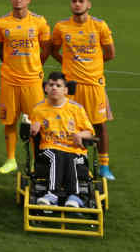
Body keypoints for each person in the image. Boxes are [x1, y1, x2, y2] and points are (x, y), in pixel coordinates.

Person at [51, 0, 116, 180]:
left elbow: (110, 53)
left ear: (89, 4)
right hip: (71, 87)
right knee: (70, 126)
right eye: (74, 1)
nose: (77, 4)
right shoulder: (61, 27)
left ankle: (104, 166)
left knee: (99, 126)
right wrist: (68, 64)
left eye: (81, 1)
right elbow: (54, 50)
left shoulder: (99, 26)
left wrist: (92, 65)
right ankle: (77, 162)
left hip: (94, 85)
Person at [0, 0, 51, 174]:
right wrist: (11, 64)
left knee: (35, 121)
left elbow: (46, 49)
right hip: (9, 79)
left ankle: (36, 161)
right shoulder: (1, 23)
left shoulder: (39, 22)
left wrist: (34, 65)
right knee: (9, 121)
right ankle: (11, 160)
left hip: (32, 80)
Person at [30, 72, 96, 207]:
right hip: (48, 150)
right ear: (46, 88)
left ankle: (73, 197)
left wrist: (80, 135)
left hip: (75, 152)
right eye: (51, 85)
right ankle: (53, 194)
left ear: (65, 90)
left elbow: (90, 134)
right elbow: (28, 134)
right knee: (57, 155)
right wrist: (32, 130)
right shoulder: (38, 110)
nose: (54, 88)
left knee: (68, 156)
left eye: (58, 85)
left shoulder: (76, 109)